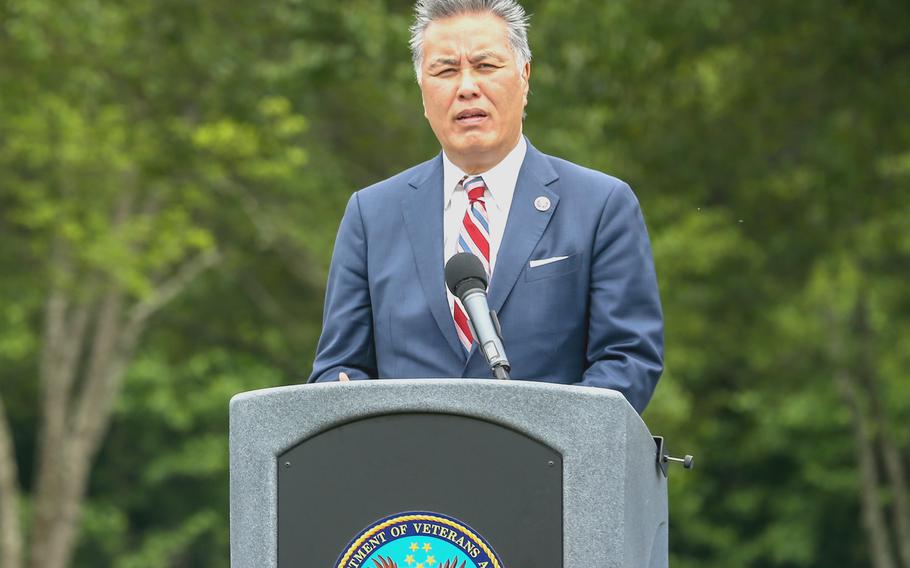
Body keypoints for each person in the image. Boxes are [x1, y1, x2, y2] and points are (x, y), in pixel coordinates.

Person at [308, 0, 663, 414]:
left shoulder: (601, 205)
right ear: (422, 91)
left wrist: (547, 441)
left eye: (486, 66)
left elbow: (627, 360)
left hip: (548, 470)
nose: (466, 87)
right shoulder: (371, 215)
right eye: (445, 71)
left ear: (525, 76)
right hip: (405, 470)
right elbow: (338, 368)